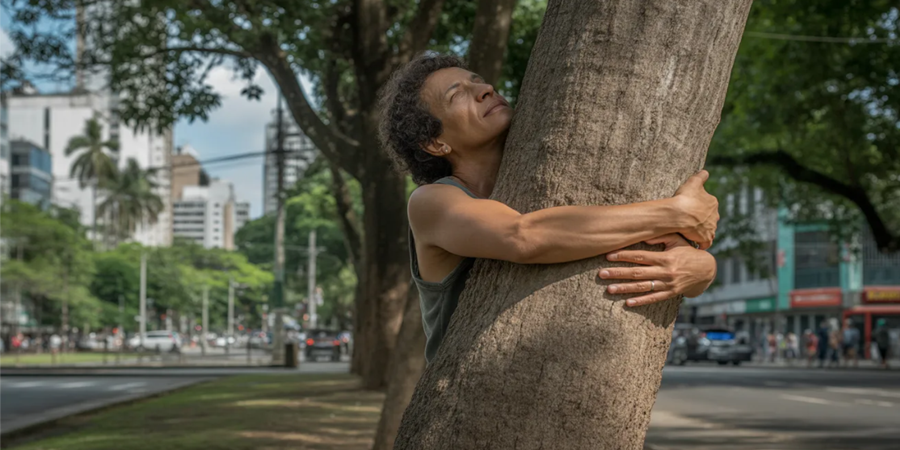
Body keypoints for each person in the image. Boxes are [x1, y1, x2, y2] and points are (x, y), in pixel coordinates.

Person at [379, 54, 720, 364]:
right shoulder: (431, 202)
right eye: (457, 95)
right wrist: (677, 212)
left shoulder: (553, 179)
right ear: (435, 143)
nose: (484, 89)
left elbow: (625, 239)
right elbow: (524, 236)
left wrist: (703, 268)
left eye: (477, 80)